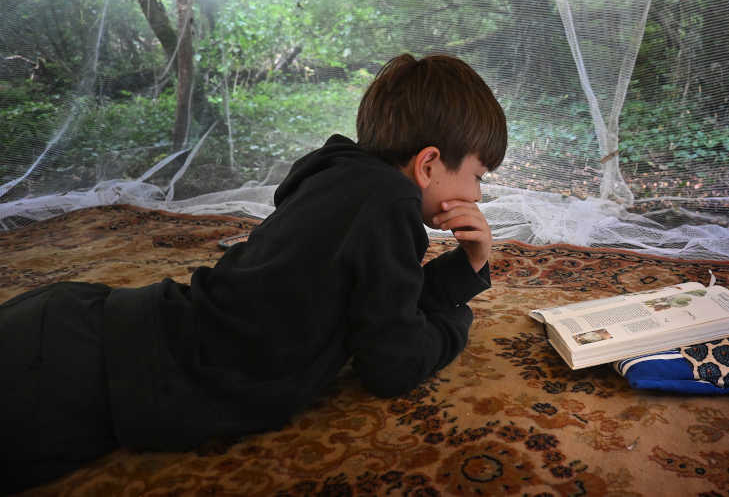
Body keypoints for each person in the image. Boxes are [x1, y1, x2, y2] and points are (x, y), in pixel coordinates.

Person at [0, 53, 508, 494]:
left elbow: (383, 298)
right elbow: (392, 366)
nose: (479, 195)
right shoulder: (389, 206)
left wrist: (470, 265)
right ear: (429, 164)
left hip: (88, 329)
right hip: (96, 374)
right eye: (478, 177)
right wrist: (456, 323)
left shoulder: (343, 179)